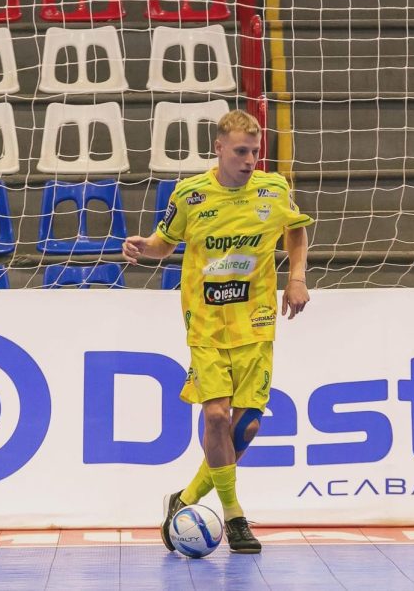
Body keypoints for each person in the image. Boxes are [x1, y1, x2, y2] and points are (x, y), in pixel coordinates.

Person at [122, 109, 313, 553]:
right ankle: (235, 517)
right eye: (242, 151)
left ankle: (185, 499)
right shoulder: (191, 195)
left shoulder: (273, 188)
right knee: (215, 416)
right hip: (205, 323)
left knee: (245, 428)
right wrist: (142, 247)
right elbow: (164, 242)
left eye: (255, 152)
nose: (250, 160)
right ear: (220, 149)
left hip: (258, 321)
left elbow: (296, 234)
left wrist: (297, 278)